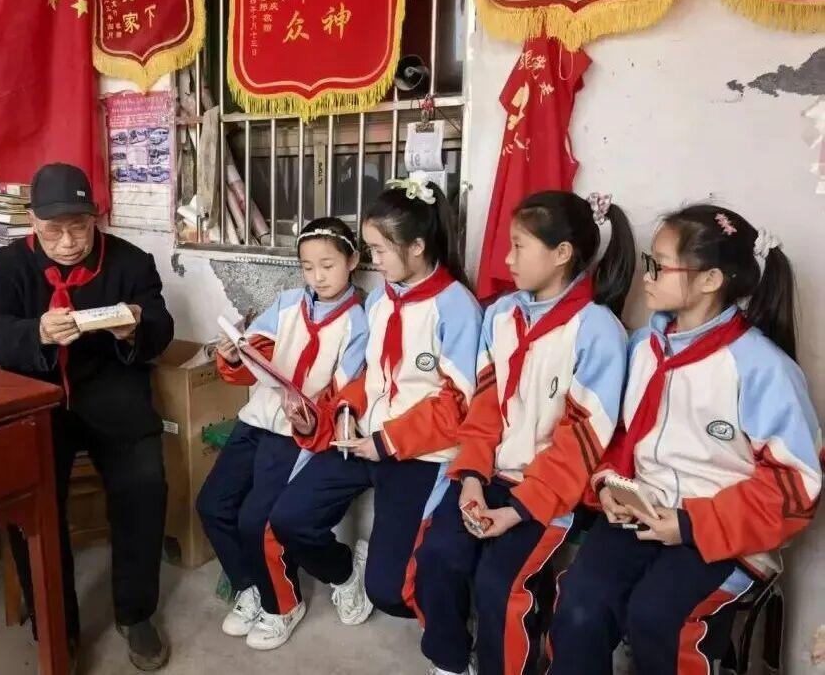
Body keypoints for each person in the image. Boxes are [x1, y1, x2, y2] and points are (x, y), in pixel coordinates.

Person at [548, 205, 822, 675]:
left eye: (658, 265)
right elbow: (623, 434)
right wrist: (610, 484)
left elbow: (795, 488)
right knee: (580, 605)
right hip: (646, 512)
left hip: (724, 532)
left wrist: (691, 525)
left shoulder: (762, 369)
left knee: (658, 618)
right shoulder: (645, 348)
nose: (646, 275)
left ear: (710, 279)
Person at [414, 191, 635, 675]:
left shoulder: (597, 331)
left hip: (548, 489)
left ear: (562, 254)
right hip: (489, 472)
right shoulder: (501, 315)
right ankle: (449, 662)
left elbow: (582, 440)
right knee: (438, 553)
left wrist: (518, 509)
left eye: (519, 246)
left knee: (501, 584)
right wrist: (471, 478)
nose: (507, 260)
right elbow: (484, 407)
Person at [0, 163, 174, 671]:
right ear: (33, 221)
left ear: (95, 218)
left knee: (145, 484)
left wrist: (135, 328)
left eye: (79, 228)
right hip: (37, 399)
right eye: (53, 230)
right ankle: (55, 623)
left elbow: (161, 326)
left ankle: (136, 613)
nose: (67, 242)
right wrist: (37, 332)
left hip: (112, 393)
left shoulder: (131, 262)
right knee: (29, 498)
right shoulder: (5, 266)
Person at [269, 174, 482, 636]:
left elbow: (459, 406)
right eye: (370, 249)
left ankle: (445, 629)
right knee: (289, 517)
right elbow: (369, 375)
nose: (372, 261)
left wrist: (386, 442)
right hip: (363, 438)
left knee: (390, 592)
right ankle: (347, 571)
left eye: (380, 250)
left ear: (417, 247)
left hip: (418, 453)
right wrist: (343, 413)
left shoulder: (457, 308)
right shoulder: (382, 299)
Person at [196, 218, 368, 650]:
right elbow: (254, 362)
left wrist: (310, 419)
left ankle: (283, 605)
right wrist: (234, 356)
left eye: (327, 265)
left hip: (297, 434)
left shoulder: (359, 323)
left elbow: (345, 396)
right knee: (212, 504)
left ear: (353, 260)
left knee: (257, 520)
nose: (317, 277)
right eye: (307, 267)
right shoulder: (288, 304)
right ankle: (249, 585)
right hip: (257, 418)